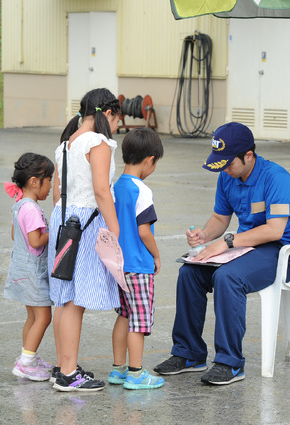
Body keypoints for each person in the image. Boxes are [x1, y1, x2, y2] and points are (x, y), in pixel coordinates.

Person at [154, 122, 290, 385]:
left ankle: (230, 362)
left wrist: (227, 242)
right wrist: (205, 235)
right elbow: (219, 218)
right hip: (246, 247)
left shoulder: (276, 178)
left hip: (281, 253)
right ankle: (189, 353)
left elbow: (275, 230)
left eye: (228, 162)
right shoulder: (227, 176)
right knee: (190, 272)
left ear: (248, 155)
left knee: (228, 277)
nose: (224, 168)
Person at [48, 88, 122, 392]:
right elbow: (102, 191)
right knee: (77, 300)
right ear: (107, 113)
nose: (117, 126)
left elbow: (57, 191)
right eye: (117, 119)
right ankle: (68, 372)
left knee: (64, 297)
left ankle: (64, 366)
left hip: (64, 220)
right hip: (88, 221)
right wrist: (114, 231)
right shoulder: (99, 142)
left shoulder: (66, 144)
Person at [108, 128, 166, 390]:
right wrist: (156, 254)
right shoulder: (141, 191)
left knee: (123, 316)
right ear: (150, 160)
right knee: (138, 322)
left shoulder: (115, 186)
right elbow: (144, 231)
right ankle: (136, 373)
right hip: (139, 266)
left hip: (118, 265)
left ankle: (118, 369)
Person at [4, 152, 55, 382]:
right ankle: (26, 362)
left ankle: (29, 356)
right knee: (44, 317)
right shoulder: (32, 209)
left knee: (32, 317)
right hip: (34, 272)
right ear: (34, 182)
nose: (51, 186)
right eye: (49, 180)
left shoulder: (19, 205)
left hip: (20, 269)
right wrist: (53, 232)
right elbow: (35, 241)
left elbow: (16, 234)